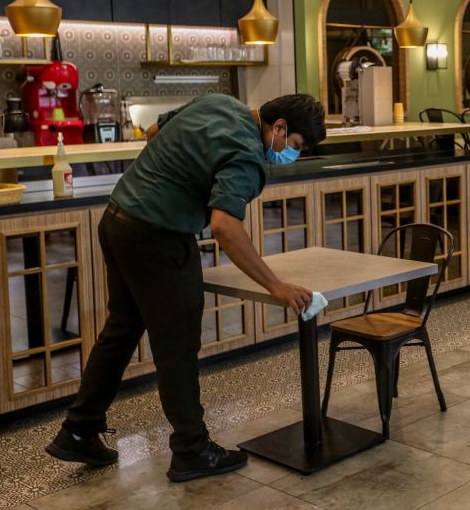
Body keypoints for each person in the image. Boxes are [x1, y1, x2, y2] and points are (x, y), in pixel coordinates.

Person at [45, 93, 326, 482]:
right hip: (158, 235)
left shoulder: (219, 103)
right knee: (177, 345)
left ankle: (78, 430)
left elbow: (155, 131)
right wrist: (275, 285)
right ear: (278, 127)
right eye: (293, 146)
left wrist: (179, 174)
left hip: (118, 219)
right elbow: (225, 226)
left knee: (121, 331)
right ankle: (192, 449)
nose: (289, 154)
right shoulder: (247, 152)